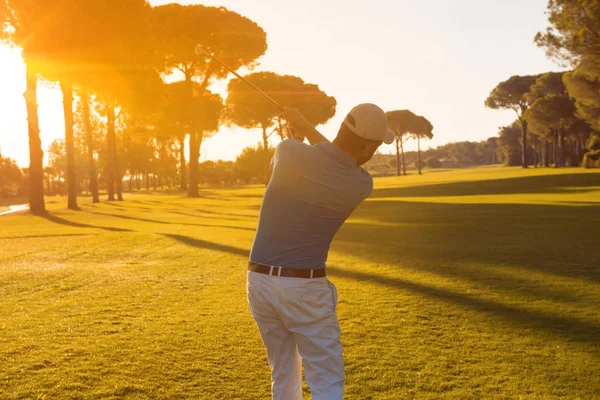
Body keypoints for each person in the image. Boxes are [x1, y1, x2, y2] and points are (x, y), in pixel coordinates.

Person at [247, 104, 395, 400]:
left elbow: (326, 153)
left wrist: (300, 128)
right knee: (326, 379)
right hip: (305, 288)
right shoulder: (361, 183)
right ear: (367, 145)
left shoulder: (288, 151)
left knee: (283, 373)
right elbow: (334, 158)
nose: (375, 152)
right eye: (377, 146)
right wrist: (304, 126)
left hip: (259, 281)